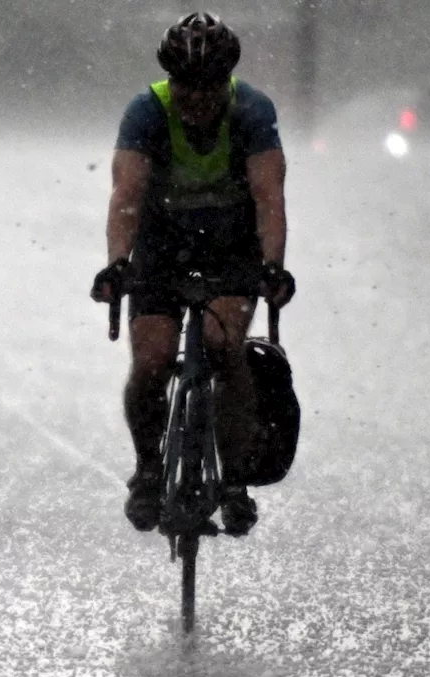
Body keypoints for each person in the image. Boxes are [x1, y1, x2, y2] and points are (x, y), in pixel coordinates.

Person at [90, 12, 294, 535]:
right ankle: (148, 469)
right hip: (161, 247)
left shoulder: (251, 111)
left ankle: (233, 480)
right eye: (184, 86)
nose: (196, 99)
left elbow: (269, 197)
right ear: (170, 81)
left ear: (225, 82)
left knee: (223, 347)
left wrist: (273, 266)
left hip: (232, 249)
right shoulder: (146, 112)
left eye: (208, 88)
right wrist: (117, 263)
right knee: (152, 360)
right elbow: (125, 196)